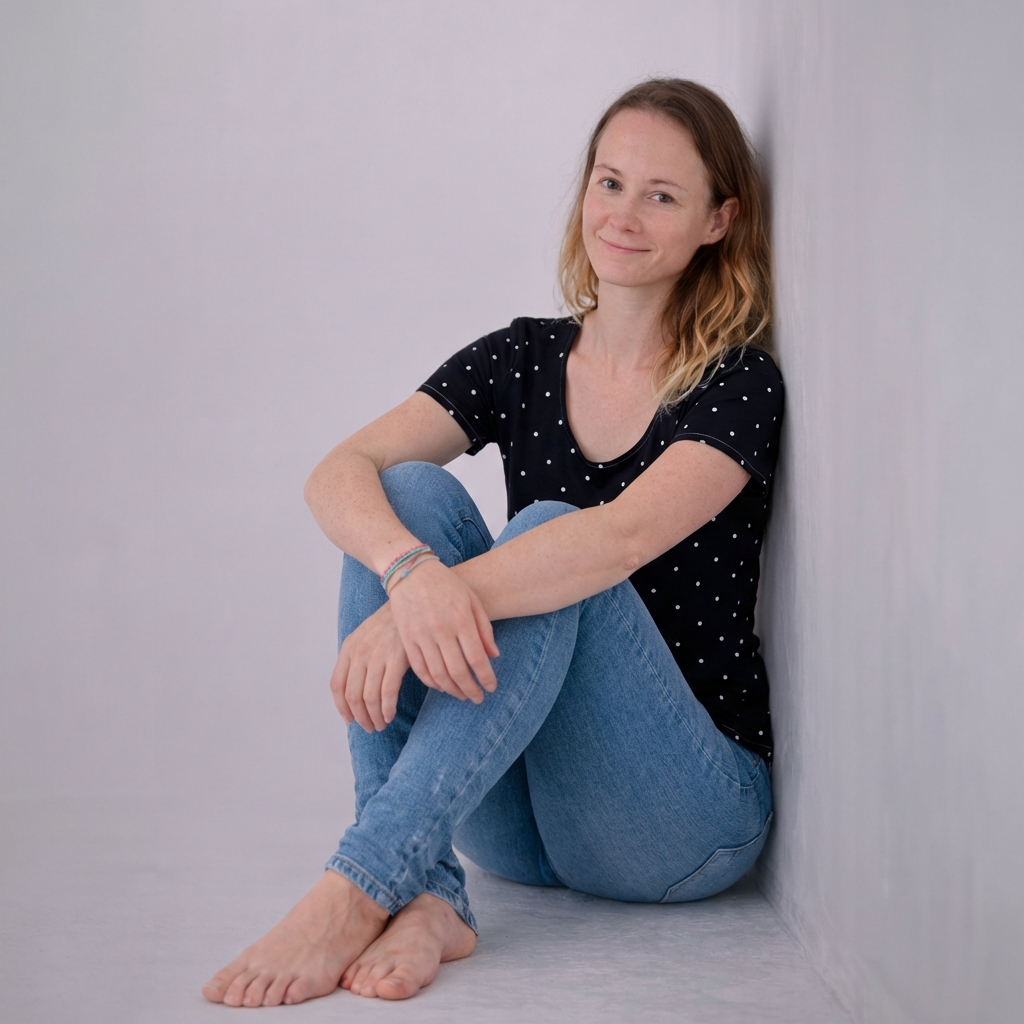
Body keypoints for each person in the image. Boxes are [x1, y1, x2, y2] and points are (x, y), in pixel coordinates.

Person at [202, 77, 782, 1008]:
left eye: (662, 196)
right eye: (610, 182)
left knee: (556, 537)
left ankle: (361, 883)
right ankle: (428, 894)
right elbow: (338, 470)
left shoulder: (739, 383)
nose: (623, 215)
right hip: (512, 823)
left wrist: (425, 607)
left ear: (718, 220)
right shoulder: (523, 356)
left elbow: (617, 539)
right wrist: (410, 575)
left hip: (681, 821)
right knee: (404, 494)